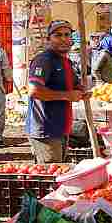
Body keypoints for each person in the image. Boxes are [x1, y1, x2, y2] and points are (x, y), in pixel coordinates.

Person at [26, 20, 84, 164]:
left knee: (59, 170)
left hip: (61, 128)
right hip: (46, 130)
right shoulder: (44, 60)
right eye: (58, 35)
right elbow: (34, 91)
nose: (64, 39)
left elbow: (74, 86)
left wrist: (82, 91)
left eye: (67, 35)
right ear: (48, 39)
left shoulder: (66, 62)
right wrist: (67, 95)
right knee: (51, 174)